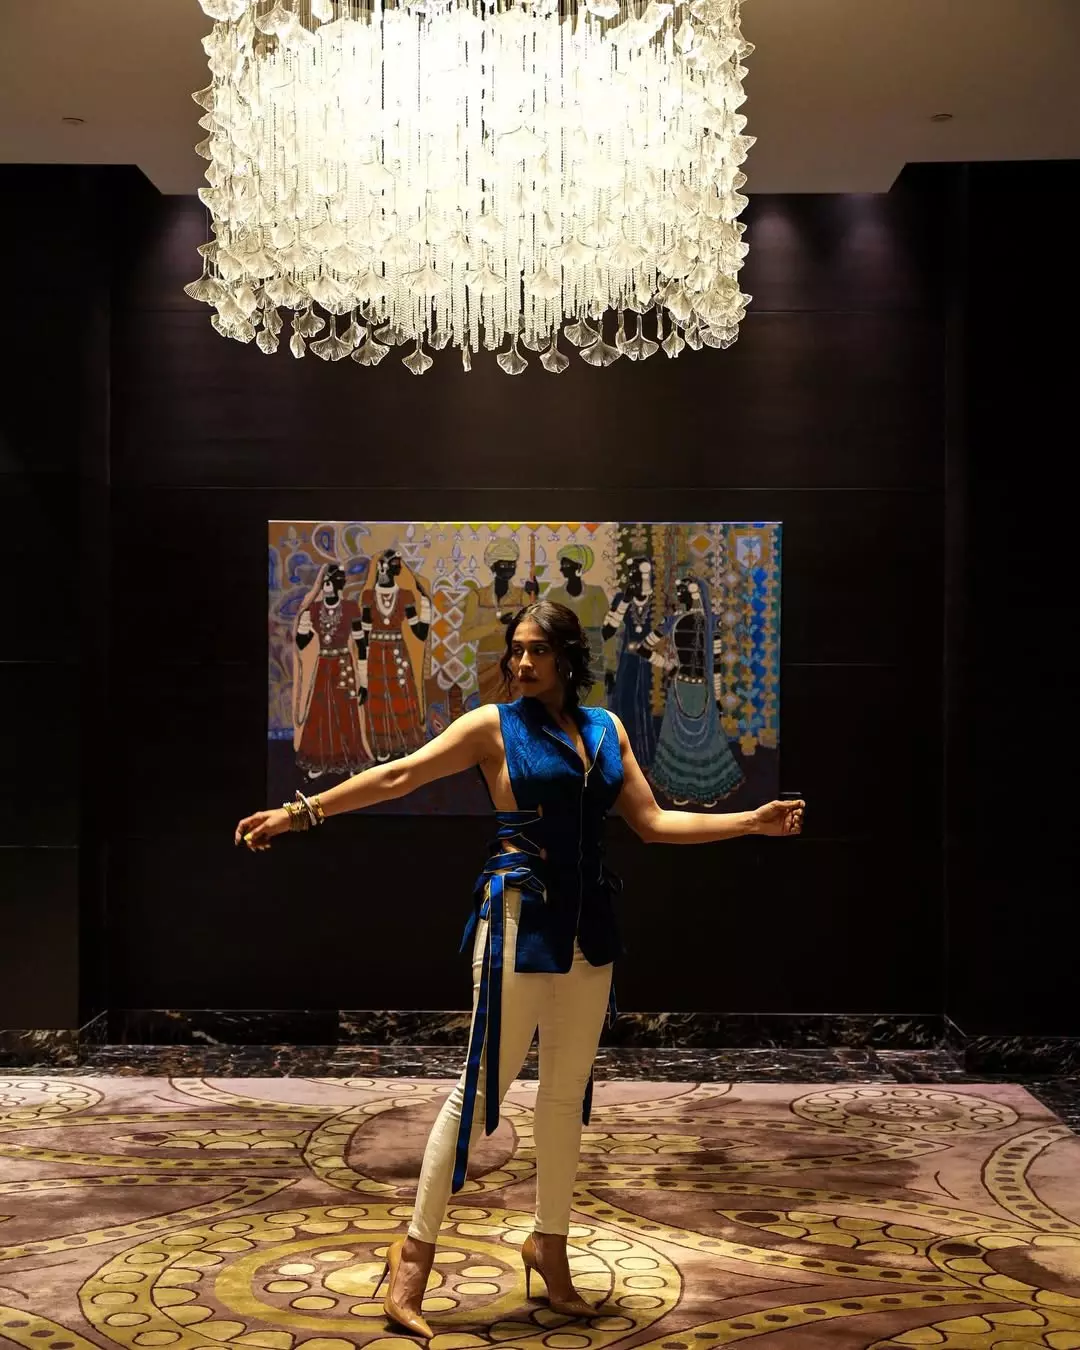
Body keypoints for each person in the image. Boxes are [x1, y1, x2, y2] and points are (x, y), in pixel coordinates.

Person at [234, 601, 804, 1340]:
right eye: (516, 650)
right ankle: (412, 1258)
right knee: (477, 1096)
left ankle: (549, 1246)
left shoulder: (607, 729)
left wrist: (750, 822)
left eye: (538, 650)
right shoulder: (492, 727)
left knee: (565, 1099)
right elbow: (398, 775)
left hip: (590, 930)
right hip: (516, 922)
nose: (523, 662)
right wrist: (300, 812)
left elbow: (654, 823)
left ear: (568, 656)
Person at [292, 562, 371, 778]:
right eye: (324, 582)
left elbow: (361, 644)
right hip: (324, 666)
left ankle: (352, 760)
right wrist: (303, 624)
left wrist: (364, 681)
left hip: (344, 665)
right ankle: (319, 760)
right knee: (320, 712)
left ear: (338, 584)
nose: (325, 586)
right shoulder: (314, 609)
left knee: (346, 712)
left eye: (329, 581)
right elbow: (302, 642)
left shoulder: (351, 608)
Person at [460, 537, 537, 705]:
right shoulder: (477, 596)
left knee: (516, 708)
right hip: (487, 665)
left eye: (512, 564)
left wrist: (534, 597)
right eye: (503, 565)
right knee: (491, 709)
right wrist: (496, 625)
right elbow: (465, 635)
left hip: (514, 662)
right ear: (493, 566)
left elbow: (533, 626)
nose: (508, 568)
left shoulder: (521, 596)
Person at [544, 543, 612, 706]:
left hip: (594, 659)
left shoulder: (597, 594)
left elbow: (609, 634)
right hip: (564, 659)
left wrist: (611, 667)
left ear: (578, 567)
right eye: (562, 565)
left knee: (594, 705)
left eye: (566, 565)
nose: (562, 569)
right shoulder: (554, 595)